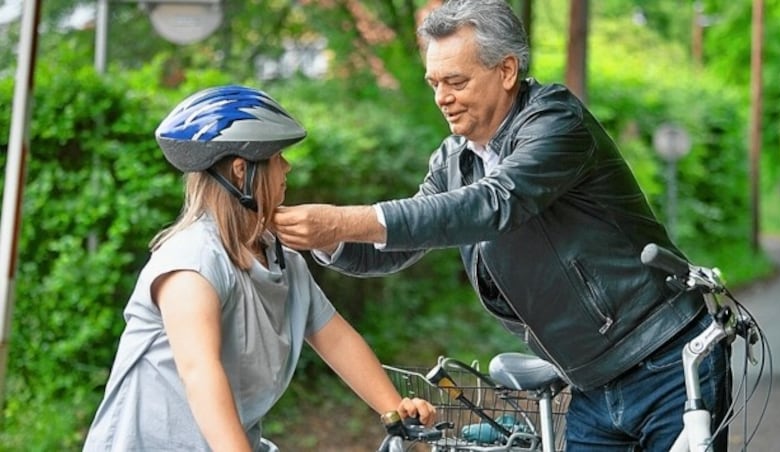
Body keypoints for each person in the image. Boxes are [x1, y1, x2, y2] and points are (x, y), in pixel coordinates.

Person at [272, 1, 731, 450]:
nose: (441, 98)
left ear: (507, 71)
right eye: (434, 83)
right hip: (590, 382)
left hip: (666, 362)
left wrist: (343, 219)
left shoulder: (555, 122)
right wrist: (327, 237)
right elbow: (395, 242)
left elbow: (494, 204)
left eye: (455, 81)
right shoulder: (454, 159)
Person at [82, 85, 434, 452]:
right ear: (241, 171)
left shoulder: (280, 258)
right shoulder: (191, 262)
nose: (288, 166)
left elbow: (336, 338)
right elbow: (201, 372)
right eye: (278, 156)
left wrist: (395, 410)